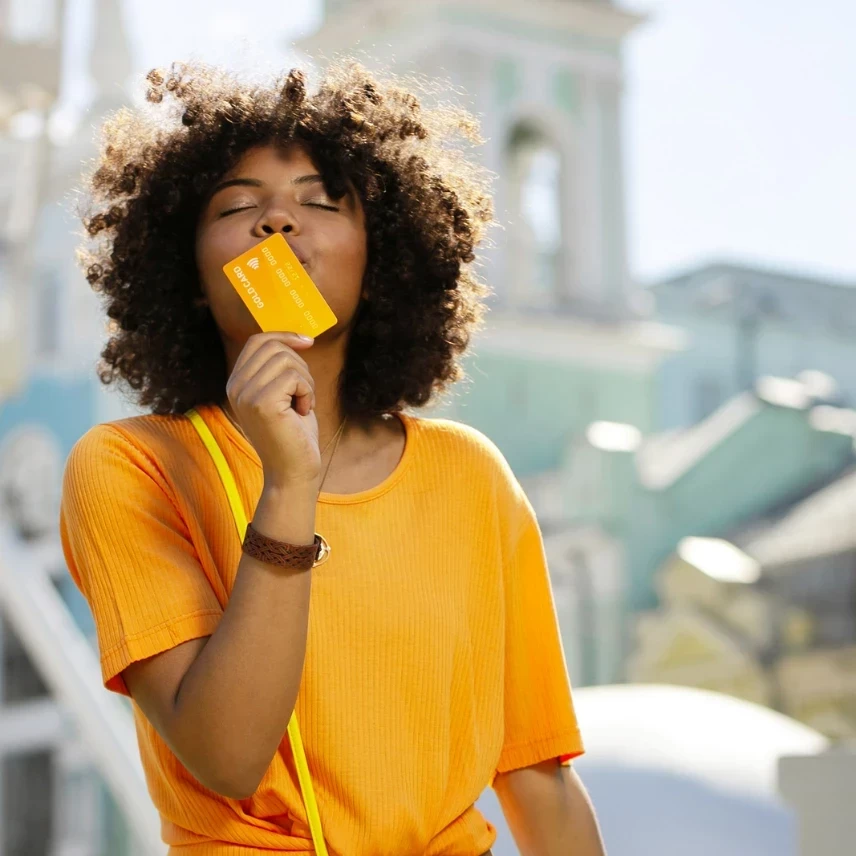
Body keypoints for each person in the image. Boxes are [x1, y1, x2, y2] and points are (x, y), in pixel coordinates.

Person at [59, 58, 605, 856]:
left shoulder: (470, 475)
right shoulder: (129, 466)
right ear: (186, 269)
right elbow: (227, 756)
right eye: (238, 205)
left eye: (321, 202)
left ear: (382, 256)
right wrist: (289, 480)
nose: (278, 224)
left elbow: (540, 782)